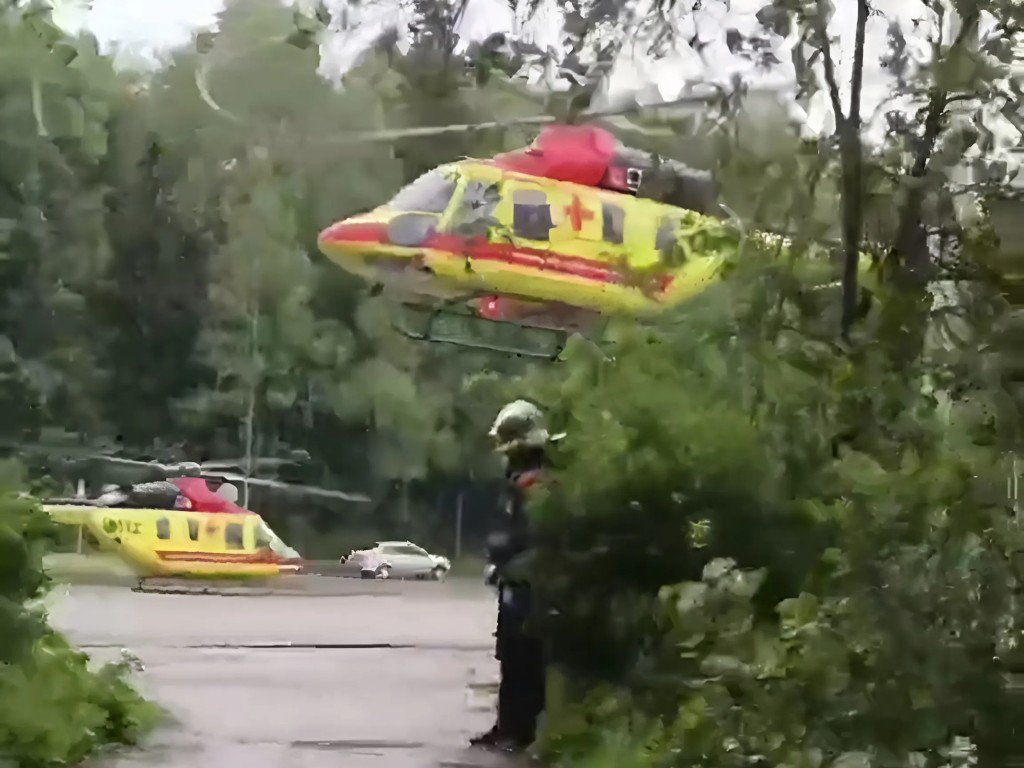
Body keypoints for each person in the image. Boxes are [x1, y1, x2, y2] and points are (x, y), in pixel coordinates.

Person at [471, 400, 564, 752]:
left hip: (532, 586)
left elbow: (533, 535)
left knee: (527, 660)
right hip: (513, 581)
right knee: (510, 657)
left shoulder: (537, 484)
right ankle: (507, 726)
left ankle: (521, 732)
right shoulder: (517, 482)